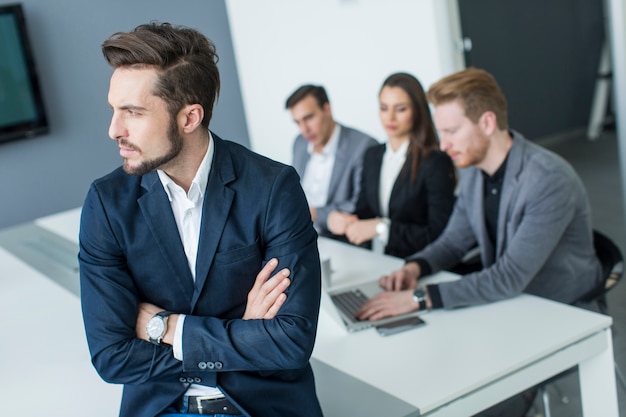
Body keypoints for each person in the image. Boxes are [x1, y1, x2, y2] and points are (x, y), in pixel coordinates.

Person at [79, 22, 323, 417]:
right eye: (114, 110)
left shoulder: (273, 187)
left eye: (133, 113)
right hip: (161, 407)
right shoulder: (105, 204)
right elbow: (112, 356)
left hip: (264, 406)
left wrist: (165, 327)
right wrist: (242, 333)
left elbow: (291, 340)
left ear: (189, 117)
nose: (114, 130)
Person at [355, 68, 603, 416]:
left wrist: (419, 298)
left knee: (469, 400)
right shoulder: (473, 169)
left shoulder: (547, 179)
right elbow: (454, 240)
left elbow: (509, 277)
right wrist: (416, 267)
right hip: (508, 301)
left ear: (487, 123)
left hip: (559, 307)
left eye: (452, 131)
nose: (443, 145)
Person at [327, 73, 456, 258]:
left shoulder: (434, 161)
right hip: (380, 260)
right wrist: (344, 220)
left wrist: (382, 228)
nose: (390, 117)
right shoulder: (373, 155)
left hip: (419, 262)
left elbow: (439, 232)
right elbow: (365, 213)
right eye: (384, 108)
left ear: (417, 111)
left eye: (401, 109)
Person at [286, 84, 377, 239]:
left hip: (338, 239)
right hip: (298, 235)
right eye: (297, 122)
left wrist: (316, 214)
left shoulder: (363, 146)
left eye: (309, 118)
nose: (304, 130)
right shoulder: (299, 143)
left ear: (327, 109)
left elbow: (358, 205)